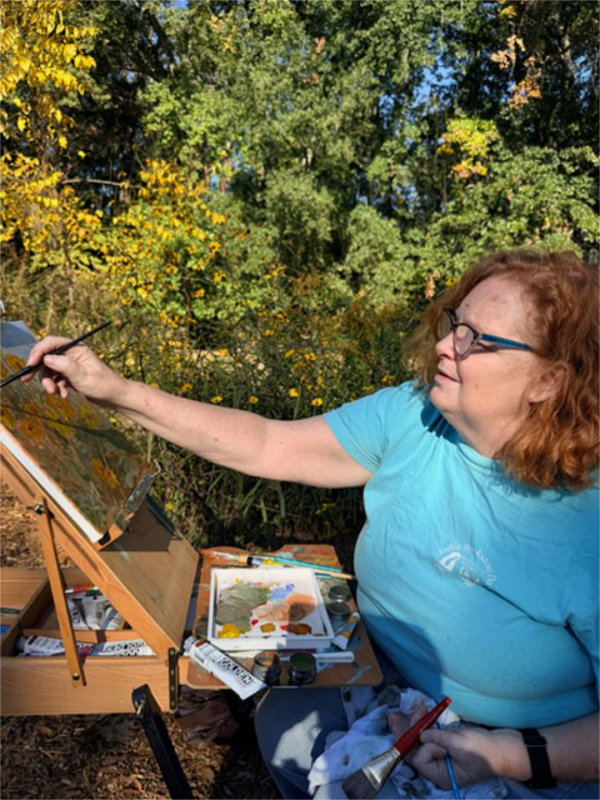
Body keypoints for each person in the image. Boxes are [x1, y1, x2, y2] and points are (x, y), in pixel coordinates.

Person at [25, 249, 598, 798]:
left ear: (550, 380)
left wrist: (505, 755)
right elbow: (269, 444)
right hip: (377, 678)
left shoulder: (585, 522)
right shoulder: (417, 414)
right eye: (454, 322)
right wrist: (117, 392)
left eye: (478, 339)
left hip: (523, 754)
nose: (447, 346)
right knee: (287, 732)